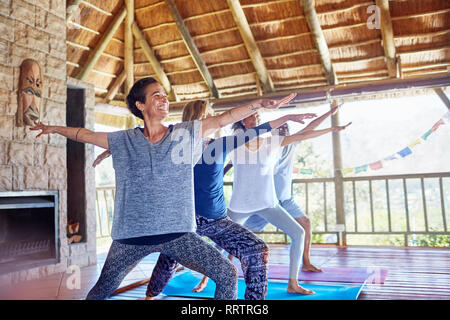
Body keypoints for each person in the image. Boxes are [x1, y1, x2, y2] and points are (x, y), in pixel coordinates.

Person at [30, 77, 293, 300]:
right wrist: (53, 128)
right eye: (156, 95)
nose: (164, 99)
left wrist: (259, 104)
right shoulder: (124, 140)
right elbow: (84, 134)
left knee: (226, 273)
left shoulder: (185, 134)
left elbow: (225, 119)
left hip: (176, 233)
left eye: (165, 95)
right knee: (101, 291)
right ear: (140, 104)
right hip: (131, 237)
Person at [93, 97, 315, 300]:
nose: (214, 117)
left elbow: (258, 131)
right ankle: (150, 296)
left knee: (257, 250)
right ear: (198, 118)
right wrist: (111, 150)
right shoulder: (173, 144)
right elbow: (142, 140)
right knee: (168, 262)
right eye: (208, 113)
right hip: (184, 222)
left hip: (216, 220)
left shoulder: (220, 144)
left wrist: (286, 117)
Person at [226, 107, 351, 295]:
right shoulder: (236, 144)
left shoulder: (274, 143)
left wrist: (331, 127)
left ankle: (294, 280)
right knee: (224, 240)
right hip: (243, 204)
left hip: (273, 201)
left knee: (299, 231)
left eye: (258, 116)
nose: (255, 118)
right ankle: (208, 276)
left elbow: (307, 133)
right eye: (251, 116)